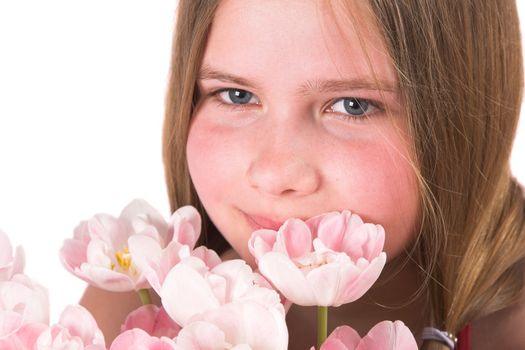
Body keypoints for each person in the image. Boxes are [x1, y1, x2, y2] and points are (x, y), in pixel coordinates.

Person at [80, 1, 525, 349]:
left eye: (353, 105)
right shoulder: (132, 307)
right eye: (236, 95)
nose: (275, 174)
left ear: (468, 118)